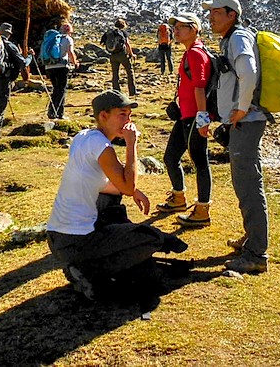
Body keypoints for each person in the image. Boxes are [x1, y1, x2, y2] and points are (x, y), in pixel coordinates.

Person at [47, 90, 187, 300]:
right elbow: (127, 186)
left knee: (115, 203)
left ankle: (86, 267)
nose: (128, 121)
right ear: (103, 116)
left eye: (129, 115)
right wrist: (132, 145)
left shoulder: (84, 137)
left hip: (57, 237)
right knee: (151, 239)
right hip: (78, 240)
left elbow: (105, 183)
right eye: (122, 114)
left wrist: (133, 191)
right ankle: (90, 272)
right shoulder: (101, 145)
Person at [202, 0, 269, 274]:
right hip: (244, 120)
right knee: (246, 179)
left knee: (247, 182)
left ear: (232, 14)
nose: (210, 17)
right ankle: (252, 238)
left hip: (248, 120)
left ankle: (256, 254)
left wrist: (241, 109)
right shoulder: (232, 38)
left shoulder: (239, 38)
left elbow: (249, 73)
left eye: (216, 12)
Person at [158, 12, 213, 227]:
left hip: (194, 116)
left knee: (200, 162)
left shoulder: (195, 54)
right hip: (186, 115)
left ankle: (202, 210)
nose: (176, 30)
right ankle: (179, 198)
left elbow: (200, 86)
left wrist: (202, 117)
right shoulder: (190, 52)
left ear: (195, 29)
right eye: (176, 27)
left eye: (182, 27)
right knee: (171, 157)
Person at [44, 21, 78, 120]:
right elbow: (70, 53)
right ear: (69, 31)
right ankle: (59, 114)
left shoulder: (53, 39)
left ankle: (51, 111)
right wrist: (75, 63)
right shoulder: (68, 39)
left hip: (49, 67)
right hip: (62, 67)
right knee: (62, 90)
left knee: (55, 89)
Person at [102, 18, 136, 96]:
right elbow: (127, 44)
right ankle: (132, 92)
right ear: (123, 25)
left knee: (115, 74)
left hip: (113, 55)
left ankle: (116, 92)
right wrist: (131, 54)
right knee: (129, 72)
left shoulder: (110, 33)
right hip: (122, 54)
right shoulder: (122, 32)